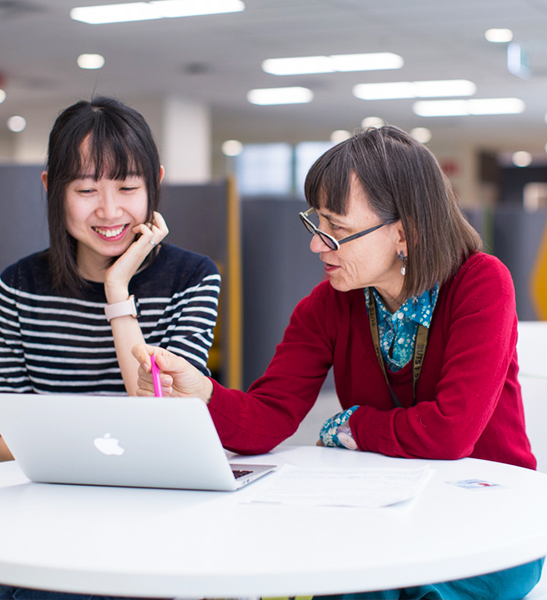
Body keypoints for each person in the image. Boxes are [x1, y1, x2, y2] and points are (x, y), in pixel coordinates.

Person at [133, 125, 544, 600]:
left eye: (338, 231)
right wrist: (202, 391)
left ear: (404, 234)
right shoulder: (329, 303)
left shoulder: (481, 283)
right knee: (337, 579)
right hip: (386, 515)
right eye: (316, 225)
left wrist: (355, 426)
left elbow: (451, 433)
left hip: (489, 520)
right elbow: (268, 418)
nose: (316, 245)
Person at [0, 97, 220, 461]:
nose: (109, 211)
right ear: (52, 187)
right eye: (85, 190)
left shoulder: (192, 279)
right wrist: (90, 459)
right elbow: (0, 441)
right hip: (53, 497)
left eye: (127, 188)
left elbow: (163, 417)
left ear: (154, 182)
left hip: (156, 490)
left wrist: (117, 291)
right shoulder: (18, 287)